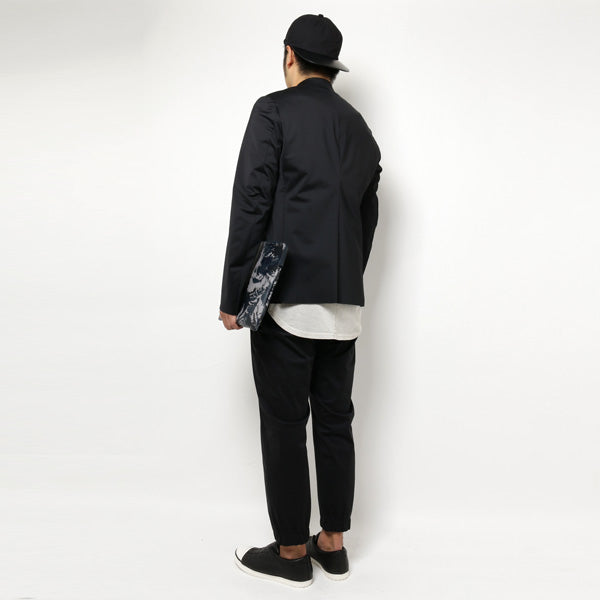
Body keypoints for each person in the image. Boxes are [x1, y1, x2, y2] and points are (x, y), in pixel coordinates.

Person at [218, 13, 382, 588]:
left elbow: (252, 202)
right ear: (333, 67)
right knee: (335, 422)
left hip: (282, 292)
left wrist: (237, 295)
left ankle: (291, 553)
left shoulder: (273, 111)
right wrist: (346, 278)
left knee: (284, 425)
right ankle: (332, 545)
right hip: (344, 303)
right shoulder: (359, 127)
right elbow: (366, 215)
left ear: (289, 54)